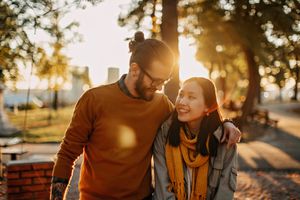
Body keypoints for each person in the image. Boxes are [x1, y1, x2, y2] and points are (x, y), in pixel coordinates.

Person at [50, 32, 241, 200]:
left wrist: (227, 123)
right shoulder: (94, 99)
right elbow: (67, 155)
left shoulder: (161, 105)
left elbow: (192, 116)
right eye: (155, 80)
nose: (159, 87)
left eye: (164, 81)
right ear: (135, 70)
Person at [154, 77, 238, 200]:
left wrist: (227, 123)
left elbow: (225, 192)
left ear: (207, 106)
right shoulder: (164, 133)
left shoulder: (224, 139)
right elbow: (162, 188)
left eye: (191, 97)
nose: (182, 101)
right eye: (180, 94)